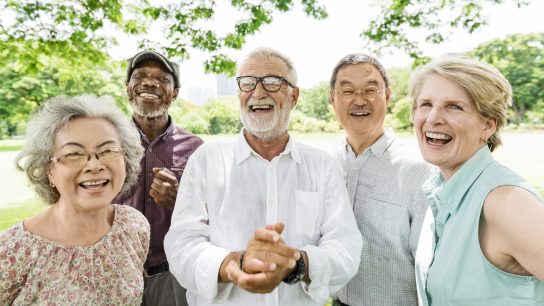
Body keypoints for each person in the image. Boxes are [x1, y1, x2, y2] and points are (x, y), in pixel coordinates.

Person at [164, 47, 362, 306]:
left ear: (293, 96)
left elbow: (346, 248)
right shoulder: (205, 160)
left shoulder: (322, 166)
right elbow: (182, 244)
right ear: (238, 94)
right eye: (247, 83)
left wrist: (296, 263)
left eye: (272, 82)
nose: (258, 92)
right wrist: (234, 264)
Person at [410, 57, 544, 305]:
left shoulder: (504, 202)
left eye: (454, 107)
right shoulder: (441, 191)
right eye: (425, 104)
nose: (433, 118)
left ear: (488, 125)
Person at [0, 95, 149, 305]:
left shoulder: (133, 226)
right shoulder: (12, 251)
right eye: (74, 154)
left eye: (107, 150)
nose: (94, 165)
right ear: (48, 171)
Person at [328, 53, 432, 306]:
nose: (359, 100)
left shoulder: (418, 169)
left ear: (387, 96)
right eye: (348, 91)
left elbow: (430, 266)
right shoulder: (327, 165)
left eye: (370, 89)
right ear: (332, 99)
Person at [117, 50, 204, 306]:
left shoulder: (196, 148)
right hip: (116, 271)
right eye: (140, 75)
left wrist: (181, 200)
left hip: (171, 274)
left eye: (163, 78)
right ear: (128, 87)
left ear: (175, 92)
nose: (150, 82)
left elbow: (214, 216)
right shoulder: (107, 141)